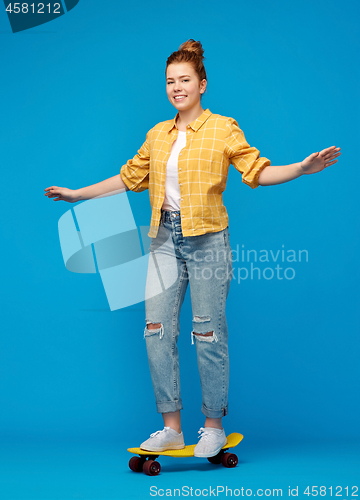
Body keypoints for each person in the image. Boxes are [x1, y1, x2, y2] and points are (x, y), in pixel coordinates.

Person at [44, 39, 341, 458]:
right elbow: (129, 178)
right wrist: (79, 195)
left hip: (207, 242)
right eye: (170, 81)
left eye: (185, 80)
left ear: (202, 84)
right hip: (164, 239)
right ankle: (171, 428)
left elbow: (257, 171)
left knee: (207, 333)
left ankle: (213, 426)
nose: (177, 87)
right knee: (156, 332)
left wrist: (301, 169)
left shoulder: (223, 128)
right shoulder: (157, 134)